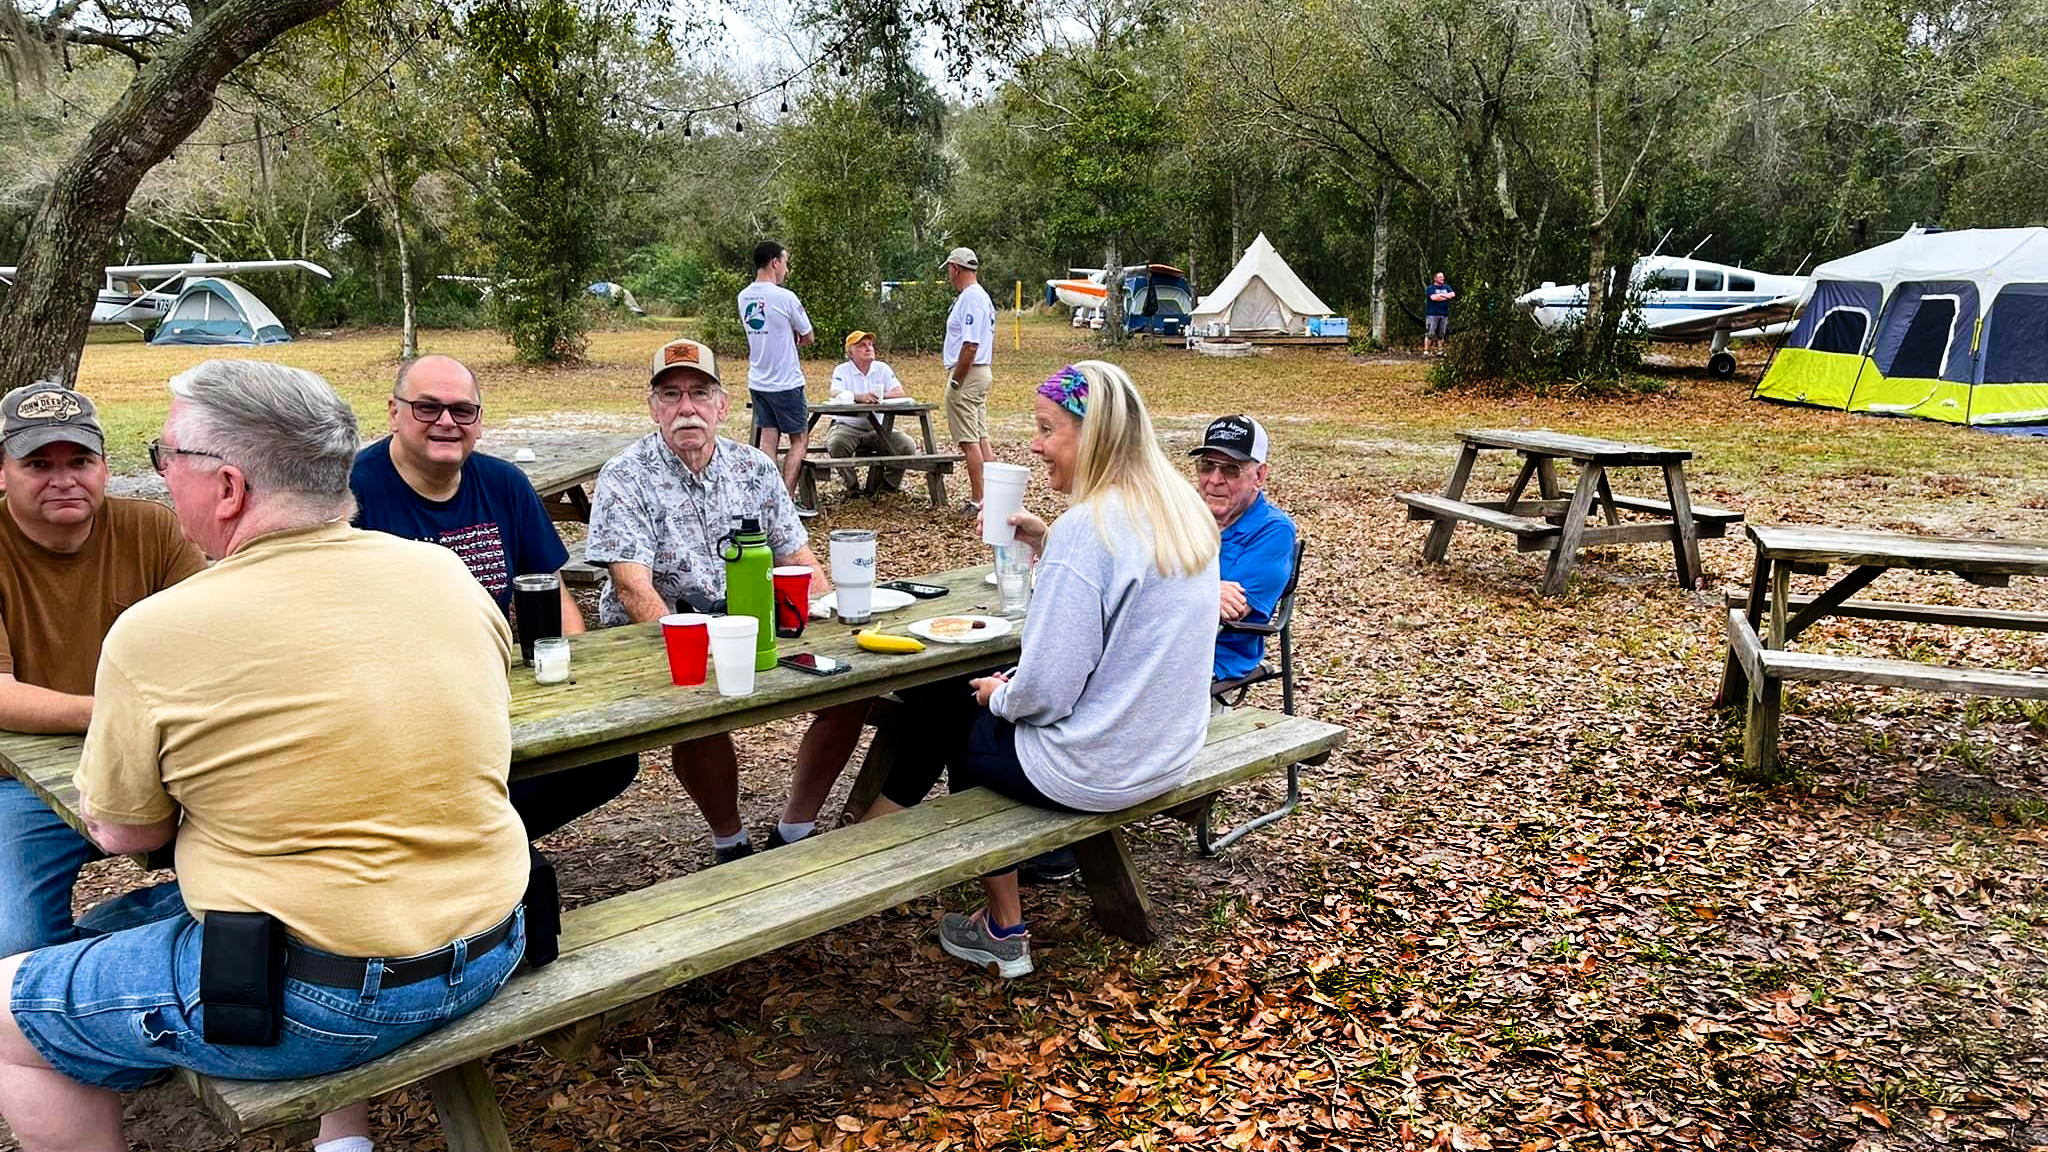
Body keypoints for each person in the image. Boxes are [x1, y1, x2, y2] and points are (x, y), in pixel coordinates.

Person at [0, 360, 529, 1152]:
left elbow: (125, 833)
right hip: (492, 943)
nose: (161, 475)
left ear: (228, 487)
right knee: (94, 940)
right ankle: (340, 1134)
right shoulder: (447, 574)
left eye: (165, 456)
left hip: (321, 999)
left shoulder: (157, 632)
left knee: (9, 1012)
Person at [865, 361, 1220, 978]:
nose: (1034, 445)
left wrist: (998, 697)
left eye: (1047, 429)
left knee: (956, 710)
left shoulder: (1089, 529)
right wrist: (1050, 541)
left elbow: (1048, 693)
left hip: (1099, 770)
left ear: (1095, 434)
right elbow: (1127, 587)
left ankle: (994, 923)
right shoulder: (1179, 508)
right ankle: (877, 828)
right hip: (1168, 751)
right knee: (963, 702)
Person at [584, 338, 869, 862]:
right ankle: (730, 841)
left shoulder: (755, 467)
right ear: (653, 408)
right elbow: (632, 588)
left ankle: (796, 828)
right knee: (696, 704)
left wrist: (838, 627)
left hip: (754, 622)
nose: (686, 408)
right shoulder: (625, 475)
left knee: (852, 684)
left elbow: (798, 556)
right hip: (665, 631)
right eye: (671, 395)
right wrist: (696, 649)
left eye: (699, 393)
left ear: (721, 405)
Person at [352, 354, 639, 840]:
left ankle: (474, 841)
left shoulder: (504, 484)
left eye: (462, 410)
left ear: (479, 422)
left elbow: (552, 591)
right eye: (427, 408)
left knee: (607, 758)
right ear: (394, 413)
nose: (447, 422)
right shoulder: (352, 494)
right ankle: (465, 844)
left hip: (494, 691)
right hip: (397, 711)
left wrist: (578, 691)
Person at [0, 381, 207, 958]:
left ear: (104, 468)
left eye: (79, 461)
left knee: (266, 887)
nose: (63, 479)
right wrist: (121, 715)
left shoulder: (153, 528)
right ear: (2, 473)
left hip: (161, 759)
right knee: (15, 944)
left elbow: (214, 645)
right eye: (38, 464)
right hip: (18, 782)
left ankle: (102, 942)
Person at [1188, 415, 1298, 688]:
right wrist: (1207, 589)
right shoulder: (1182, 515)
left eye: (1231, 470)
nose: (1214, 480)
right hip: (1155, 641)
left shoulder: (1274, 530)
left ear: (1259, 476)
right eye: (1207, 465)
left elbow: (1230, 610)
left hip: (1213, 655)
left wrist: (1172, 587)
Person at [738, 240, 817, 511]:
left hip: (758, 380)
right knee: (799, 439)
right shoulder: (785, 297)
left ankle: (769, 500)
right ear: (775, 262)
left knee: (768, 439)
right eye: (785, 263)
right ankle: (787, 500)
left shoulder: (743, 297)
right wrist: (793, 335)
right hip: (785, 381)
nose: (786, 269)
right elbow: (808, 335)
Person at [825, 330, 916, 495]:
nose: (868, 348)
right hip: (847, 426)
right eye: (862, 345)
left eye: (870, 344)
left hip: (879, 428)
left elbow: (899, 392)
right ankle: (852, 487)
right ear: (850, 353)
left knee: (906, 446)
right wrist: (860, 397)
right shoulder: (842, 370)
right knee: (836, 444)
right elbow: (835, 392)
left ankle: (886, 487)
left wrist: (877, 397)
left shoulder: (882, 368)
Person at [941, 246, 996, 517]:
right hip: (980, 371)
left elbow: (970, 344)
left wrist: (956, 381)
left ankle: (978, 500)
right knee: (981, 436)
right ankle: (994, 498)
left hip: (969, 373)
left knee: (968, 440)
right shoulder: (979, 296)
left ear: (955, 268)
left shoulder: (971, 298)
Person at [1423, 271, 1456, 355]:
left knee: (1441, 334)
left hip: (1444, 313)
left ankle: (1440, 350)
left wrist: (1440, 296)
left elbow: (1452, 294)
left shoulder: (1447, 287)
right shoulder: (1430, 288)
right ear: (1435, 278)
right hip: (1432, 314)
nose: (1442, 278)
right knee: (1430, 333)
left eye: (1443, 277)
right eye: (1440, 277)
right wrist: (1446, 296)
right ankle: (1426, 351)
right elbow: (1434, 298)